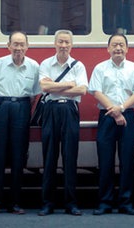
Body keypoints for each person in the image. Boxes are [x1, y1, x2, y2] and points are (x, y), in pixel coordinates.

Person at [90, 33, 134, 216]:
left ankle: (126, 202)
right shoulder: (100, 68)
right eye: (114, 45)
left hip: (128, 115)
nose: (118, 48)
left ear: (127, 49)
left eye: (122, 45)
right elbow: (96, 91)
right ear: (108, 48)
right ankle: (105, 202)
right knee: (105, 161)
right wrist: (114, 111)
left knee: (127, 160)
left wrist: (121, 108)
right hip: (107, 116)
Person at [0, 31, 40, 215]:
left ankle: (15, 202)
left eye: (21, 44)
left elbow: (34, 96)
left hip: (22, 108)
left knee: (18, 156)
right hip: (1, 107)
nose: (18, 48)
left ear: (27, 46)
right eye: (15, 44)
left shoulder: (33, 66)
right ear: (8, 46)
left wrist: (20, 108)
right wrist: (2, 106)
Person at [37, 29, 88, 216]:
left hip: (69, 110)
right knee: (49, 158)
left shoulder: (78, 65)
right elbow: (44, 87)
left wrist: (55, 88)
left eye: (67, 42)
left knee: (70, 157)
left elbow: (82, 90)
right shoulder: (45, 64)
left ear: (71, 45)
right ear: (55, 43)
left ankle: (71, 203)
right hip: (50, 111)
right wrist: (69, 84)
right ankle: (47, 203)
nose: (64, 45)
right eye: (60, 42)